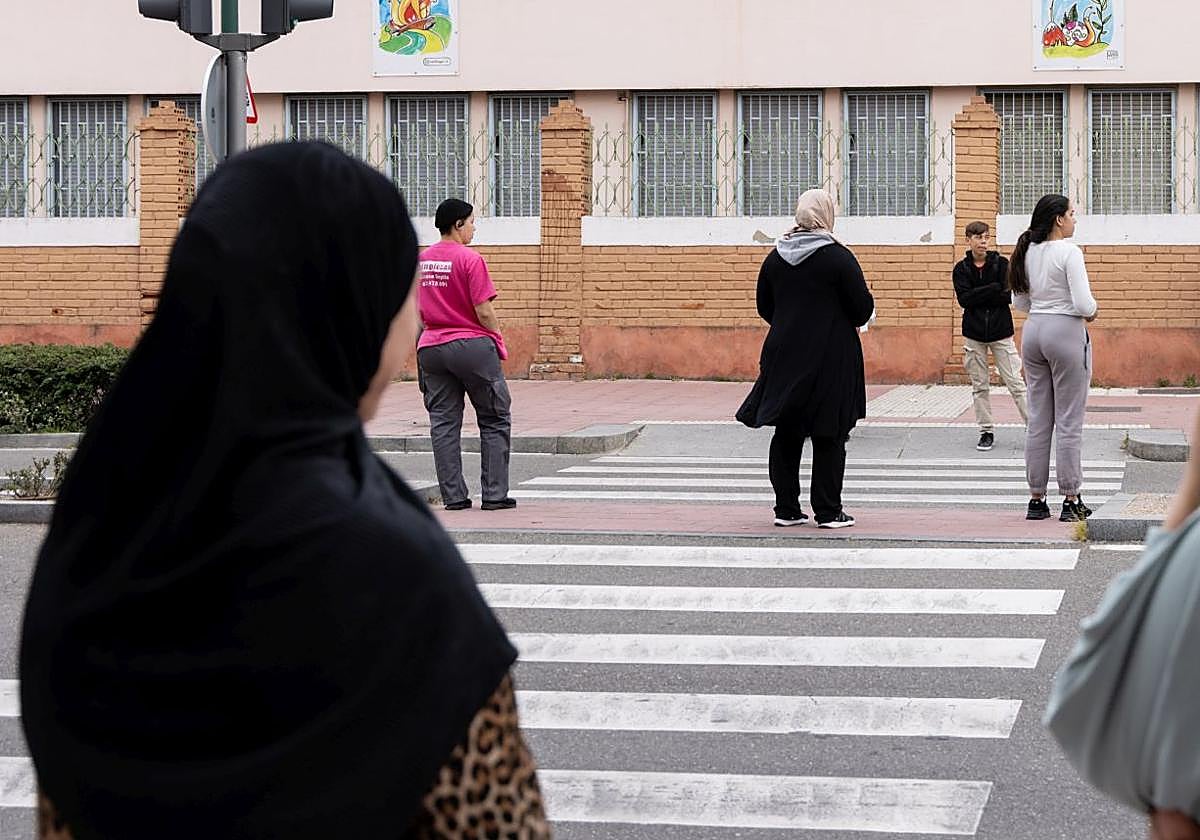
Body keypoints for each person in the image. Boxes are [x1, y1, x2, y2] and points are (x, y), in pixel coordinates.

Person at [19, 143, 549, 839]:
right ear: (348, 313)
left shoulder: (101, 535)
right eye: (393, 296)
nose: (407, 323)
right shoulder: (395, 577)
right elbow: (492, 820)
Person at [736, 188, 875, 529]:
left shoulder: (776, 257)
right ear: (826, 215)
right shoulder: (838, 258)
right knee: (830, 432)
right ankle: (828, 511)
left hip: (784, 353)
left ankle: (786, 509)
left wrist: (790, 325)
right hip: (830, 356)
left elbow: (764, 306)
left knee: (787, 430)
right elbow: (861, 308)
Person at [416, 198, 516, 511]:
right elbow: (483, 310)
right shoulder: (470, 260)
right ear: (458, 224)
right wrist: (497, 338)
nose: (474, 228)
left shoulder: (421, 261)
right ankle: (494, 495)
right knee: (494, 417)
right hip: (471, 346)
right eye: (471, 222)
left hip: (431, 346)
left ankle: (454, 497)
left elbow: (416, 311)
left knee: (443, 424)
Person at [1008, 193, 1098, 522]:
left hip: (1033, 333)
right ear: (1059, 219)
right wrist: (1093, 311)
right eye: (1072, 213)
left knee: (1039, 419)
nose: (1075, 219)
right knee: (1069, 421)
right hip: (1065, 333)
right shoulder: (1069, 252)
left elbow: (1019, 304)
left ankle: (1036, 498)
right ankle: (1071, 498)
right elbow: (1085, 304)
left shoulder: (1026, 252)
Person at [952, 220, 1029, 451]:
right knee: (979, 385)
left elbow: (1008, 296)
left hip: (1001, 332)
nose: (983, 241)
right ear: (968, 240)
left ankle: (1034, 429)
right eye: (978, 237)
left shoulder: (1002, 264)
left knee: (1015, 383)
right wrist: (993, 289)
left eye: (986, 237)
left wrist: (982, 293)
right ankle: (986, 431)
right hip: (974, 334)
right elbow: (964, 300)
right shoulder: (961, 269)